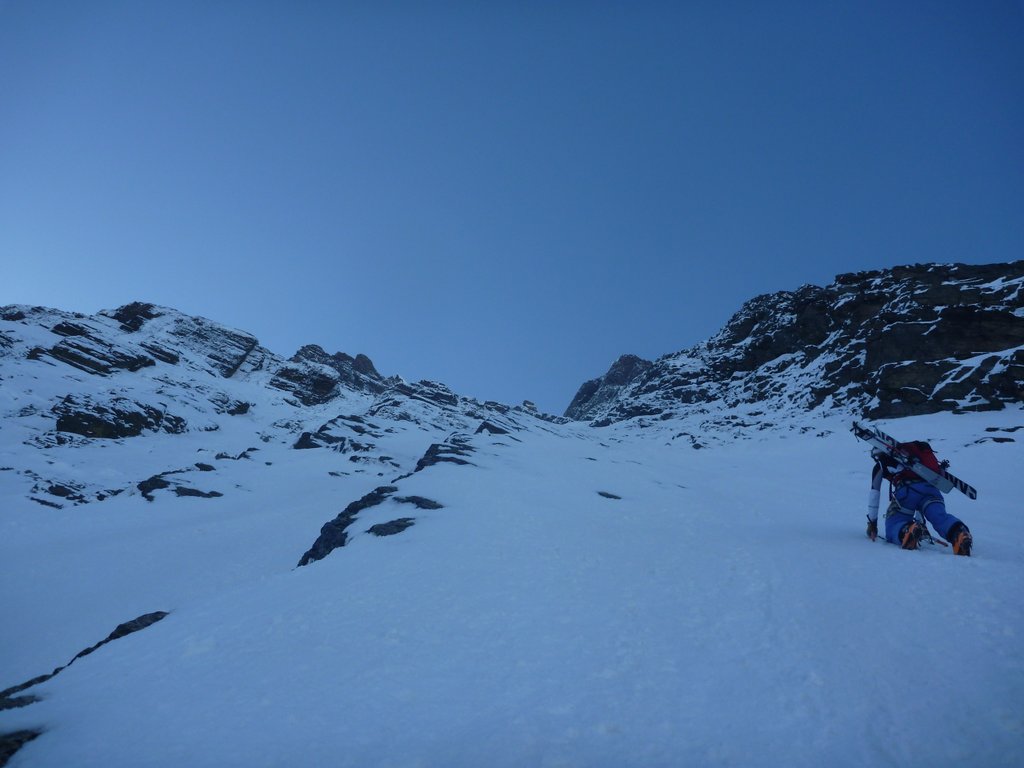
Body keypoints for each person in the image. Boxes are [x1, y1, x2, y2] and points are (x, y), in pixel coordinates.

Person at [866, 442, 972, 556]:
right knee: (941, 518)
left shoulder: (881, 464)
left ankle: (906, 531)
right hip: (932, 490)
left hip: (907, 492)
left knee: (894, 524)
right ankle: (959, 533)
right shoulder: (915, 460)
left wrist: (872, 524)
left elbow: (874, 494)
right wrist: (920, 522)